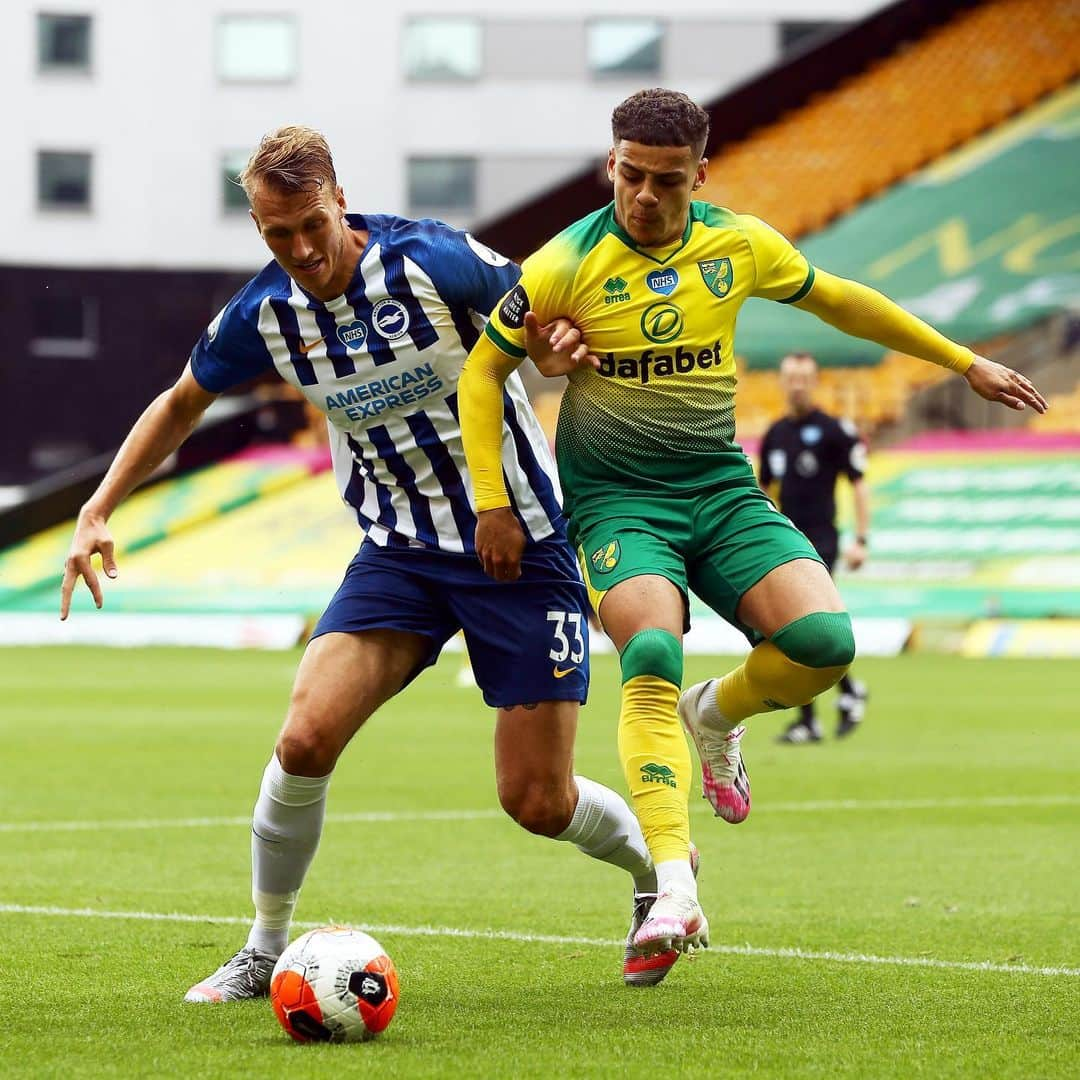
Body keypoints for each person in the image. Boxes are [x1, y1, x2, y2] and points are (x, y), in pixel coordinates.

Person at [59, 125, 673, 998]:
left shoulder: (432, 260)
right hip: (400, 552)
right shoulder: (263, 314)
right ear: (258, 227)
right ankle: (264, 948)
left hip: (521, 545)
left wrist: (550, 349)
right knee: (304, 738)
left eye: (312, 223)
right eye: (278, 234)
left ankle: (655, 874)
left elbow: (541, 323)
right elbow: (181, 401)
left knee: (537, 800)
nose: (303, 250)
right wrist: (96, 508)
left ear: (339, 197)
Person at [457, 88, 1047, 958]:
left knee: (826, 643)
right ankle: (674, 887)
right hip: (620, 501)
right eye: (630, 176)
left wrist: (962, 361)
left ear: (702, 173)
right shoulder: (561, 263)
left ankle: (717, 714)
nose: (645, 197)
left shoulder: (739, 245)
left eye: (666, 180)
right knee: (649, 654)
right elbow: (481, 375)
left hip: (721, 488)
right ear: (609, 165)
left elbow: (840, 299)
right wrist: (491, 503)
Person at [759, 352, 870, 743]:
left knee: (803, 623)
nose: (798, 385)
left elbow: (858, 482)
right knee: (795, 629)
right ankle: (845, 692)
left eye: (805, 378)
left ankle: (811, 719)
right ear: (782, 381)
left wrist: (861, 539)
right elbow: (764, 491)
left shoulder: (835, 430)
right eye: (791, 377)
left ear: (816, 381)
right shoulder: (775, 434)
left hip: (822, 537)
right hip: (787, 538)